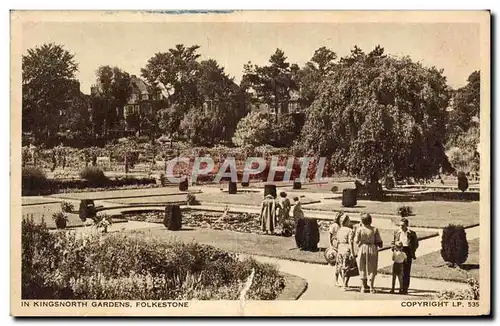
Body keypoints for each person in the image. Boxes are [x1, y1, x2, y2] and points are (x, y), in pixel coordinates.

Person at [354, 213, 383, 293]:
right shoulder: (374, 229)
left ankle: (363, 287)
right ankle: (371, 287)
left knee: (362, 266)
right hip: (372, 248)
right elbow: (379, 241)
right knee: (372, 267)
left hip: (362, 248)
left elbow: (356, 240)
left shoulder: (359, 229)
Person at [392, 217, 419, 294]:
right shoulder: (397, 232)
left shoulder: (412, 233)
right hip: (399, 250)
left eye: (403, 225)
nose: (401, 227)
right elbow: (393, 242)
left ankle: (405, 288)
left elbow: (416, 244)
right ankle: (399, 287)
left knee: (406, 270)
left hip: (408, 251)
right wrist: (394, 248)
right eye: (400, 225)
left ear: (407, 225)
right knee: (399, 271)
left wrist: (412, 251)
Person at [335, 214, 355, 290]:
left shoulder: (339, 230)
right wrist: (352, 252)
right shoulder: (350, 230)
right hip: (346, 248)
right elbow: (351, 242)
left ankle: (343, 283)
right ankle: (345, 284)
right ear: (346, 221)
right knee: (347, 267)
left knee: (340, 266)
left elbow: (337, 241)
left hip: (340, 248)